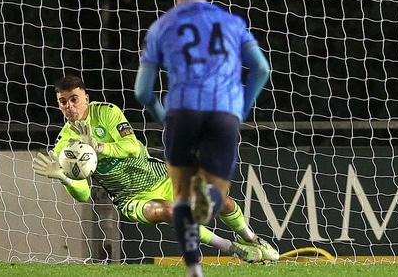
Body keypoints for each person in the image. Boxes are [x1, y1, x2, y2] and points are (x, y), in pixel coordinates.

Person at [32, 76, 278, 264]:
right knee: (169, 211)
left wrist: (99, 147)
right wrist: (65, 177)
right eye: (63, 102)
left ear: (85, 98)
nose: (69, 106)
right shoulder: (65, 145)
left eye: (74, 99)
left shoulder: (106, 112)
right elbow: (84, 194)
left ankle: (252, 239)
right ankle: (233, 249)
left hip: (159, 176)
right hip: (130, 198)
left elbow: (131, 147)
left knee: (221, 200)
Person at [134, 0, 271, 277]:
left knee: (181, 196)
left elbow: (142, 91)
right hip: (224, 112)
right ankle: (208, 198)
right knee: (216, 192)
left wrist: (164, 119)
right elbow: (262, 69)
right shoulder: (232, 23)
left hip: (182, 112)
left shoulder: (161, 27)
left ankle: (194, 268)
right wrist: (241, 109)